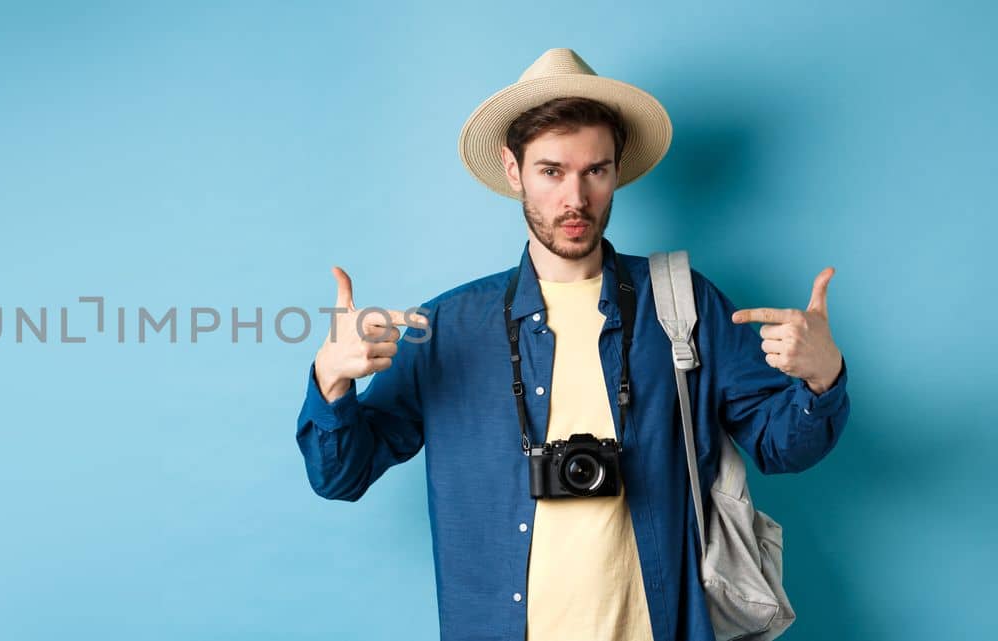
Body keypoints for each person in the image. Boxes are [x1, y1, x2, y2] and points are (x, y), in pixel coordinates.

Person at [295, 48, 849, 641]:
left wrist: (822, 379)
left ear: (616, 171)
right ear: (515, 172)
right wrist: (332, 381)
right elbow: (341, 478)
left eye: (596, 171)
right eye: (552, 171)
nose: (575, 200)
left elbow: (780, 447)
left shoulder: (682, 304)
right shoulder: (446, 328)